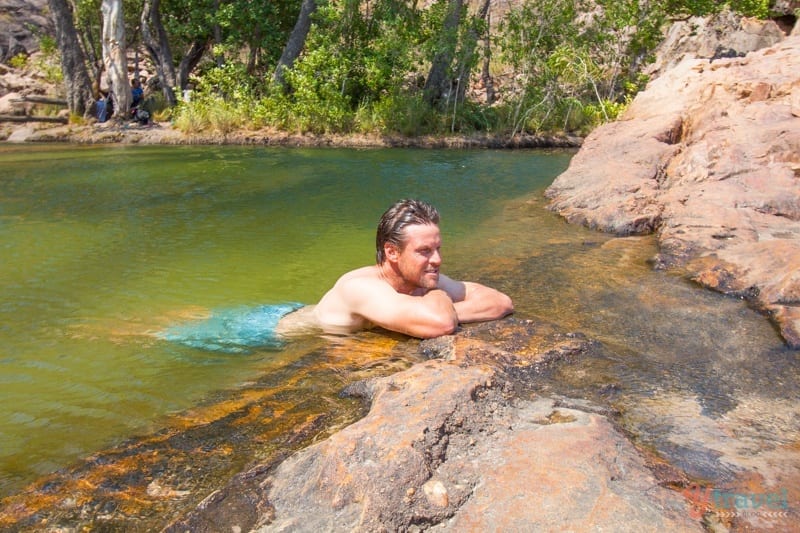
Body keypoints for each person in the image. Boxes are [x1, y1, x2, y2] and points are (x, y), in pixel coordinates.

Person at [277, 198, 513, 339]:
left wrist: (434, 309)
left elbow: (501, 302)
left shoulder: (420, 276)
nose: (437, 259)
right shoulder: (361, 288)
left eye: (438, 248)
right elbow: (441, 323)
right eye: (424, 251)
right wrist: (437, 298)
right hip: (271, 329)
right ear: (391, 252)